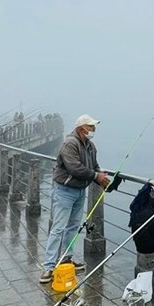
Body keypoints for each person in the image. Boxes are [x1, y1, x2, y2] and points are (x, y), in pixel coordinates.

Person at [39, 114, 115, 284]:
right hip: (65, 190)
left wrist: (101, 175)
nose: (94, 130)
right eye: (91, 127)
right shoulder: (70, 143)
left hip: (80, 190)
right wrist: (96, 176)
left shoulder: (90, 145)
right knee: (58, 228)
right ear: (82, 128)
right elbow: (74, 168)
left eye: (94, 127)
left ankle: (67, 258)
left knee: (72, 227)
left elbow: (93, 165)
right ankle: (49, 266)